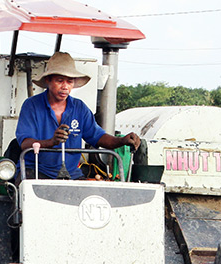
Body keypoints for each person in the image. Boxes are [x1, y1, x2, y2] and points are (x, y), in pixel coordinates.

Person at [15, 52, 141, 180]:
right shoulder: (32, 106)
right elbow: (25, 143)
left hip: (71, 174)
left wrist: (122, 141)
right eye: (60, 81)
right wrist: (51, 142)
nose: (65, 86)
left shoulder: (79, 108)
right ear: (48, 80)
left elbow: (98, 137)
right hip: (36, 171)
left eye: (69, 82)